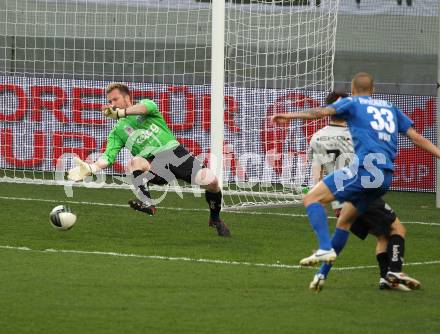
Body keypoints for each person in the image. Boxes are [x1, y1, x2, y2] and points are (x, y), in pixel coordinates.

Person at [271, 72, 440, 272]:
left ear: (352, 90)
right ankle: (330, 274)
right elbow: (417, 138)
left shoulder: (352, 104)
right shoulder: (390, 108)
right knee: (348, 221)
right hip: (383, 177)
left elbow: (321, 112)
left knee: (312, 199)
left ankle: (325, 248)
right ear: (373, 90)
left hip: (362, 171)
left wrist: (289, 115)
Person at [67, 83, 230, 237]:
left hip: (176, 154)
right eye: (110, 101)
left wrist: (121, 113)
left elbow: (145, 107)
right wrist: (91, 168)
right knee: (135, 161)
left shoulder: (146, 105)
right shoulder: (117, 132)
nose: (112, 104)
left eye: (115, 99)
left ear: (127, 97)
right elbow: (107, 157)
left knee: (212, 182)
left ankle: (215, 219)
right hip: (155, 166)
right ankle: (147, 202)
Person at [308, 91, 419, 292]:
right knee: (397, 230)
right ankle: (393, 272)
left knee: (375, 234)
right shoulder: (356, 130)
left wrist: (327, 201)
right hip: (360, 187)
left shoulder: (316, 137)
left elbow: (317, 176)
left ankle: (322, 273)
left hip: (339, 197)